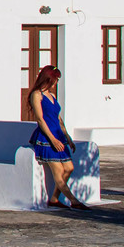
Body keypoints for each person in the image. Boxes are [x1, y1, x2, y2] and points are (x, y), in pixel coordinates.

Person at [27, 65, 87, 210]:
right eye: (55, 79)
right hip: (47, 137)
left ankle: (54, 198)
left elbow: (58, 118)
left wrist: (67, 137)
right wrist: (52, 139)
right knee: (58, 172)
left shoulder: (52, 95)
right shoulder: (37, 95)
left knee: (69, 167)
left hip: (58, 135)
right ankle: (74, 201)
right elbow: (40, 119)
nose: (56, 83)